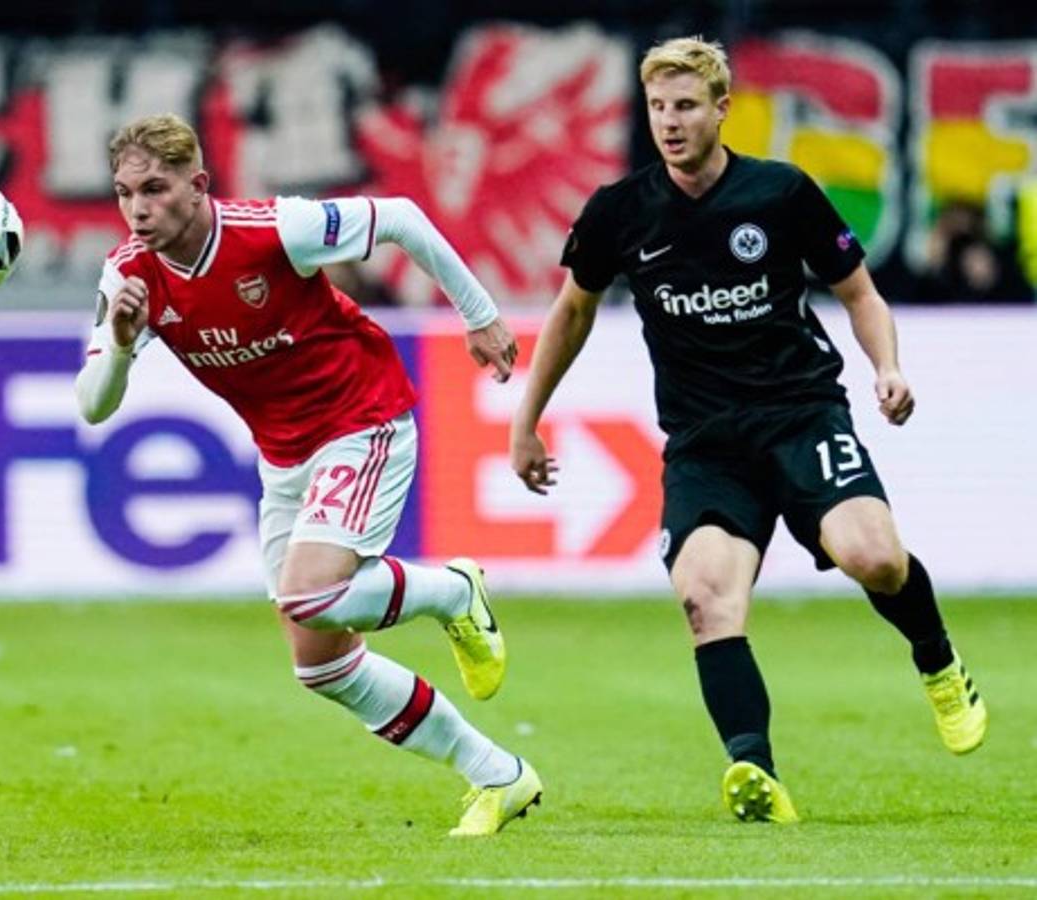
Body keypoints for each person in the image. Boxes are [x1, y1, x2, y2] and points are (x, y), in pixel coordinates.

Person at [509, 37, 986, 824]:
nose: (669, 122)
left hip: (800, 414)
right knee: (704, 599)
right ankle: (754, 772)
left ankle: (936, 661)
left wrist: (887, 368)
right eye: (657, 107)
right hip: (706, 444)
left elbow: (859, 293)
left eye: (685, 106)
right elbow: (572, 312)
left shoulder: (780, 193)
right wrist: (526, 421)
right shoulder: (618, 212)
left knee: (873, 557)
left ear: (721, 109)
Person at [75, 113, 542, 836]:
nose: (138, 209)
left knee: (311, 593)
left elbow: (400, 217)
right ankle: (499, 775)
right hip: (285, 457)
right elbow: (94, 405)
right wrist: (121, 342)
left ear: (198, 185)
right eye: (124, 193)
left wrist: (478, 317)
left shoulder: (273, 231)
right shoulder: (129, 276)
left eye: (155, 189)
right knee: (321, 665)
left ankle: (454, 591)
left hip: (362, 418)